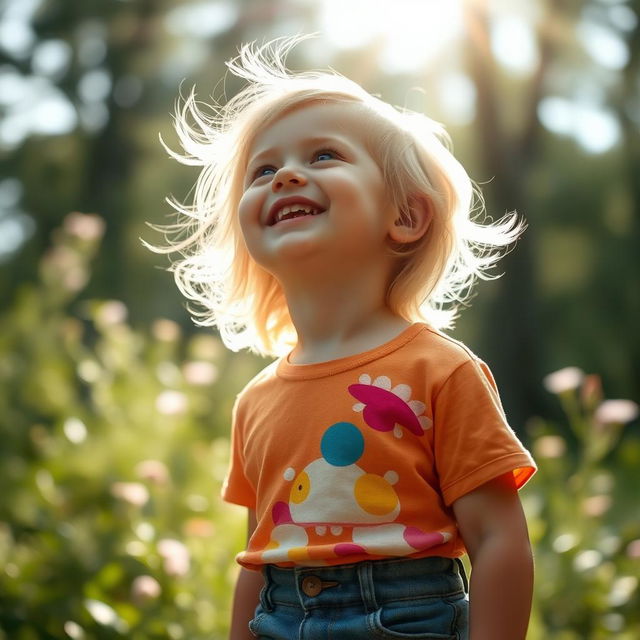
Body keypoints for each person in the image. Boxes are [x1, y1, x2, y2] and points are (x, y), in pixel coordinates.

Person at [159, 37, 537, 640]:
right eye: (263, 168)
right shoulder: (256, 401)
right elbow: (259, 560)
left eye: (325, 155)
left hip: (412, 615)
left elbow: (498, 539)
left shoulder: (441, 371)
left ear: (406, 217)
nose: (285, 174)